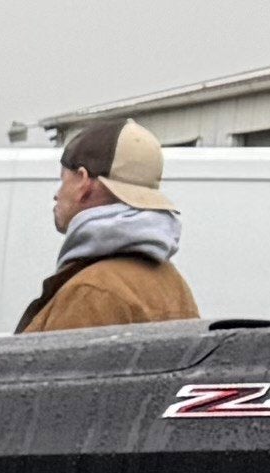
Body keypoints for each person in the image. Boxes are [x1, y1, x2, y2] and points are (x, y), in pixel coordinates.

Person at [17, 114, 199, 333]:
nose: (57, 194)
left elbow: (56, 367)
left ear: (83, 182)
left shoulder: (91, 291)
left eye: (63, 179)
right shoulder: (173, 282)